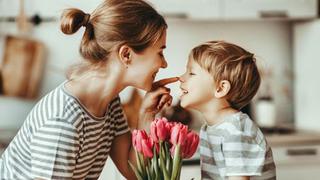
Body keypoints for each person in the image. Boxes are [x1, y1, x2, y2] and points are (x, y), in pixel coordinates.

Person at [0, 0, 178, 179]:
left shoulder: (110, 103)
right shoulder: (63, 121)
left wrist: (146, 114)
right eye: (160, 53)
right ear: (126, 54)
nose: (164, 64)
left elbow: (133, 171)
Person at [179, 41, 276, 180]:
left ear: (220, 88)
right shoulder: (211, 128)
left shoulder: (235, 130)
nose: (181, 78)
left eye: (191, 73)